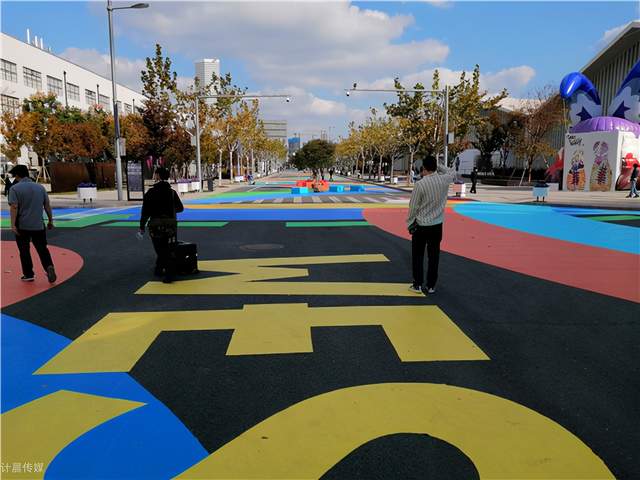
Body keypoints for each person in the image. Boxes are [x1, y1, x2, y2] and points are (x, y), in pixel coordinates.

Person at [407, 156, 455, 295]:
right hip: (437, 225)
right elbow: (452, 172)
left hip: (421, 225)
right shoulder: (444, 180)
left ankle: (417, 284)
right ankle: (431, 285)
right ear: (435, 167)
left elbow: (413, 207)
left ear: (424, 168)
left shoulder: (420, 184)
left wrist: (410, 223)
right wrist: (439, 165)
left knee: (418, 255)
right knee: (434, 256)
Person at [7, 164, 57, 283]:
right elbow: (47, 205)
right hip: (38, 224)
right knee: (42, 248)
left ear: (17, 175)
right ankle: (48, 266)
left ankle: (28, 274)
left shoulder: (14, 189)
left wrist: (13, 224)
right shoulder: (40, 187)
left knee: (24, 250)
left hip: (22, 225)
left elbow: (14, 207)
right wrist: (50, 220)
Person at [139, 167, 184, 283]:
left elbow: (145, 212)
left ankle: (169, 273)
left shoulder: (151, 192)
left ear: (158, 176)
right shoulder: (172, 193)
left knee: (160, 249)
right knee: (168, 248)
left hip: (155, 225)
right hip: (170, 225)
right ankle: (159, 269)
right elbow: (180, 208)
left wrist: (142, 227)